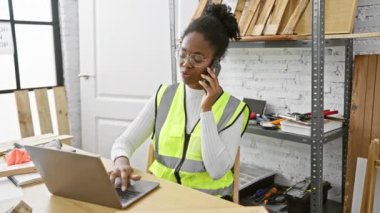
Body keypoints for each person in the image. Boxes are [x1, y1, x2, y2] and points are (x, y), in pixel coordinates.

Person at [110, 3, 250, 199]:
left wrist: (207, 109)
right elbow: (124, 142)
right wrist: (121, 162)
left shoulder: (234, 110)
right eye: (182, 54)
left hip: (208, 203)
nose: (185, 64)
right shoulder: (164, 96)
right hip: (161, 197)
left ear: (216, 63)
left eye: (197, 58)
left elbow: (217, 171)